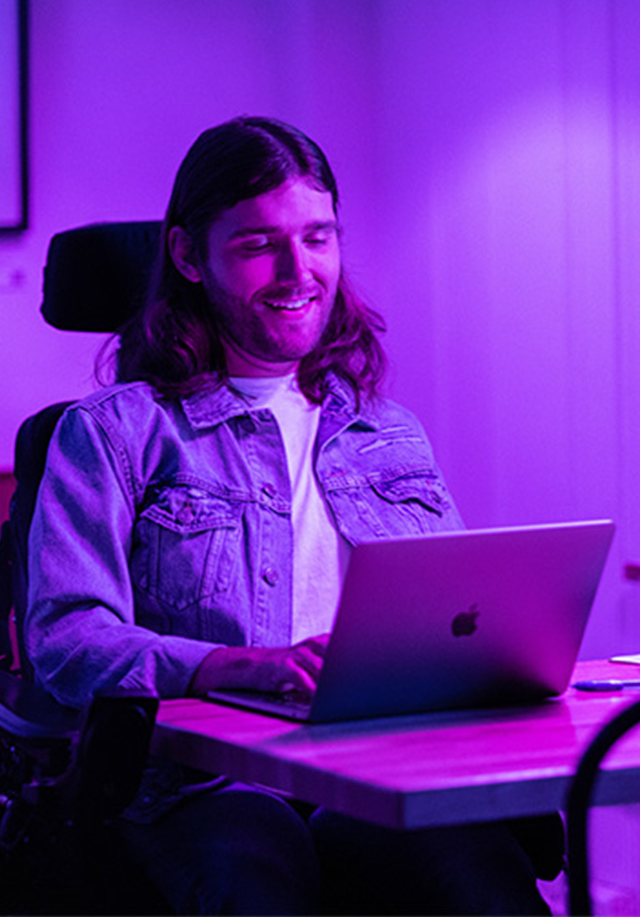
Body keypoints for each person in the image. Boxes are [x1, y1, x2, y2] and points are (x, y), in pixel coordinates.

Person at [25, 116, 559, 915]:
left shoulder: (387, 430)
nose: (297, 270)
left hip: (373, 771)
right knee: (257, 875)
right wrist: (228, 666)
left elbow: (455, 622)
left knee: (478, 875)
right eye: (256, 245)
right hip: (199, 785)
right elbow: (67, 639)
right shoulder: (111, 434)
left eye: (318, 238)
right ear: (187, 257)